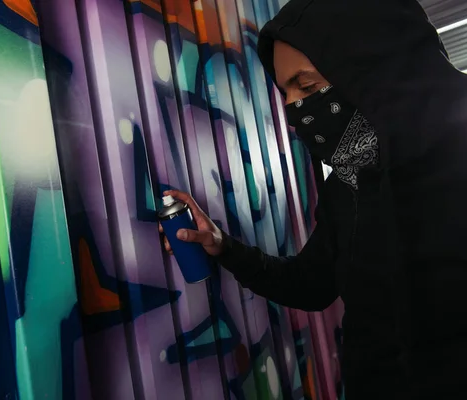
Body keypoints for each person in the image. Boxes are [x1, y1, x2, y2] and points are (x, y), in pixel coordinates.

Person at [159, 0, 467, 399]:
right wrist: (221, 246)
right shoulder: (347, 186)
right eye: (286, 91)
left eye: (306, 86)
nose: (292, 108)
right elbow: (312, 284)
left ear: (374, 75)